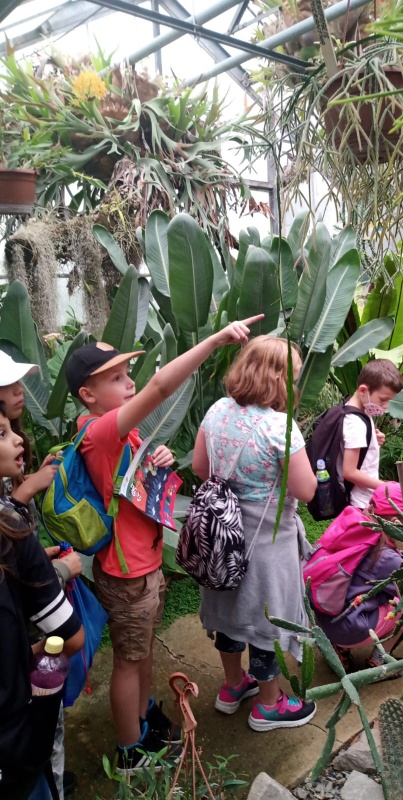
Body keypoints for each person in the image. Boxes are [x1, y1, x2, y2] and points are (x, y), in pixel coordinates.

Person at [64, 315, 261, 772]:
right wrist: (214, 341)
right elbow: (159, 387)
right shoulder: (99, 431)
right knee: (128, 661)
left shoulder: (114, 429)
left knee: (143, 652)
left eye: (127, 374)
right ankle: (129, 749)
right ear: (88, 395)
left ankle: (142, 718)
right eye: (116, 379)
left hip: (143, 562)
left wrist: (159, 458)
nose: (130, 383)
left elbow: (129, 478)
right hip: (127, 571)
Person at [191, 336, 318, 732]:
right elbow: (306, 490)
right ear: (279, 378)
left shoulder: (217, 410)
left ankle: (233, 686)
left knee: (229, 610)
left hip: (219, 535)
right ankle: (269, 704)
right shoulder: (280, 427)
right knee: (266, 618)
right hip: (266, 541)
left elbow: (200, 467)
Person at [0, 351, 82, 799]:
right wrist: (58, 569)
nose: (20, 392)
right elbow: (70, 638)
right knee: (42, 739)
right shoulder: (8, 522)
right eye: (9, 388)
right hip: (18, 700)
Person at [311, 482, 403, 672]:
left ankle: (338, 648)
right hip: (349, 629)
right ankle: (379, 661)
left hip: (324, 619)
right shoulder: (386, 557)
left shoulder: (354, 524)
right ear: (395, 523)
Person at [340, 359, 403, 509]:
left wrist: (372, 441)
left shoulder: (360, 410)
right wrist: (386, 487)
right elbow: (349, 471)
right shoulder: (355, 423)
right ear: (363, 391)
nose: (386, 406)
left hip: (362, 497)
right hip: (359, 501)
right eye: (383, 399)